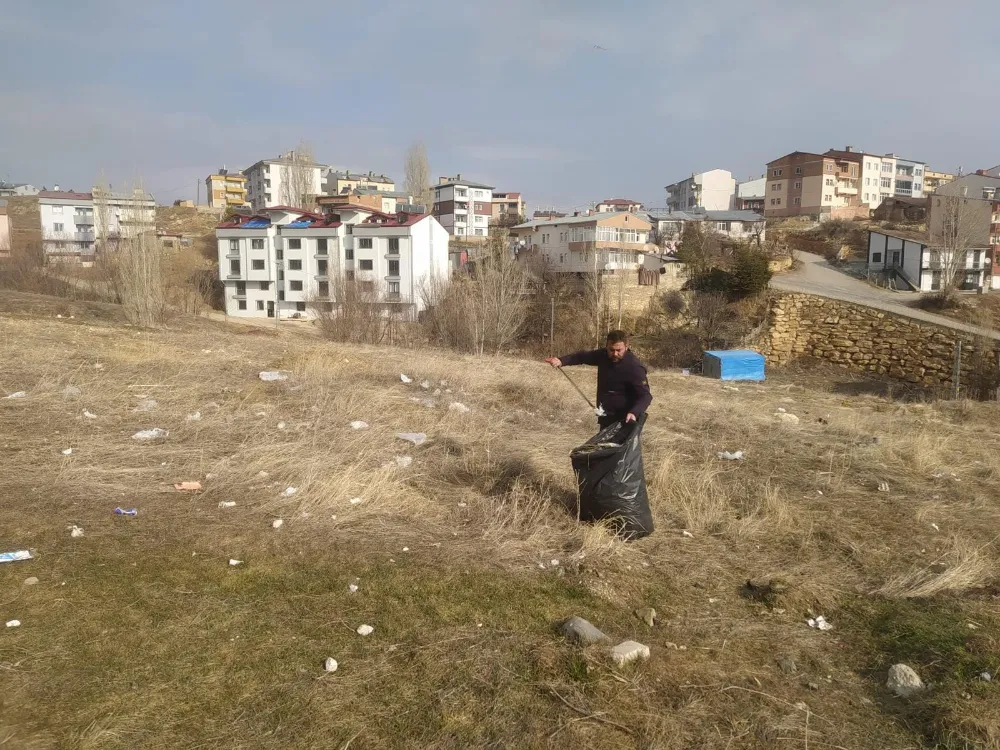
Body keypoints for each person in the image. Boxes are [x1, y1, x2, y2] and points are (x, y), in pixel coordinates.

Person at [545, 330, 652, 428]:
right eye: (611, 350)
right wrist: (561, 360)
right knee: (603, 448)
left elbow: (645, 396)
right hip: (606, 417)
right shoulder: (603, 356)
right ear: (606, 346)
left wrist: (634, 412)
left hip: (627, 420)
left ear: (627, 347)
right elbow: (581, 357)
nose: (615, 354)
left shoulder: (635, 367)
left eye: (619, 350)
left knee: (622, 449)